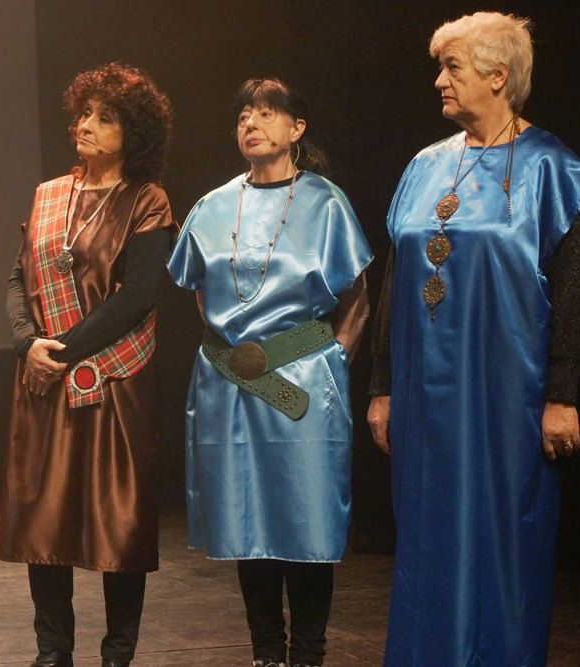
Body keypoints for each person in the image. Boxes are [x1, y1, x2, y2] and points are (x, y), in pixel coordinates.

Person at [366, 12, 580, 666]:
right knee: (427, 540)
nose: (439, 81)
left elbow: (575, 293)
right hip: (424, 399)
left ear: (499, 76)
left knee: (503, 545)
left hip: (507, 400)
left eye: (453, 67)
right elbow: (396, 279)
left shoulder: (552, 169)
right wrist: (382, 386)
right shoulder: (424, 166)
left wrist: (563, 393)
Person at [168, 78, 373, 667]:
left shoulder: (324, 202)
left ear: (296, 128)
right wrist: (235, 354)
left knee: (307, 520)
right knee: (246, 520)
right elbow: (202, 293)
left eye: (266, 113)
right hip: (230, 385)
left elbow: (357, 298)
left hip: (302, 384)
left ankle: (308, 653)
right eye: (243, 116)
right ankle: (265, 652)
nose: (251, 124)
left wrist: (330, 362)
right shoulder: (212, 206)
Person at [0, 62, 176, 667]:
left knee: (118, 523)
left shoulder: (147, 200)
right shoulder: (50, 194)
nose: (86, 125)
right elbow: (18, 280)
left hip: (114, 382)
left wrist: (61, 351)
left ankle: (117, 654)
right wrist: (27, 344)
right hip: (43, 380)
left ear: (134, 133)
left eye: (105, 117)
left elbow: (138, 295)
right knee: (44, 523)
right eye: (84, 113)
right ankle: (53, 652)